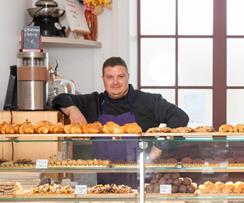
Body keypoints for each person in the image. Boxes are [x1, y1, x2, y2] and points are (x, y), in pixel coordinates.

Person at [52, 56, 189, 186]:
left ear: (128, 77)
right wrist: (72, 110)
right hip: (104, 184)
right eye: (110, 77)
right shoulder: (94, 102)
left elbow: (180, 117)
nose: (115, 82)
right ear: (103, 79)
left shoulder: (148, 101)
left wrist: (159, 146)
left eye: (120, 76)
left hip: (142, 180)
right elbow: (59, 98)